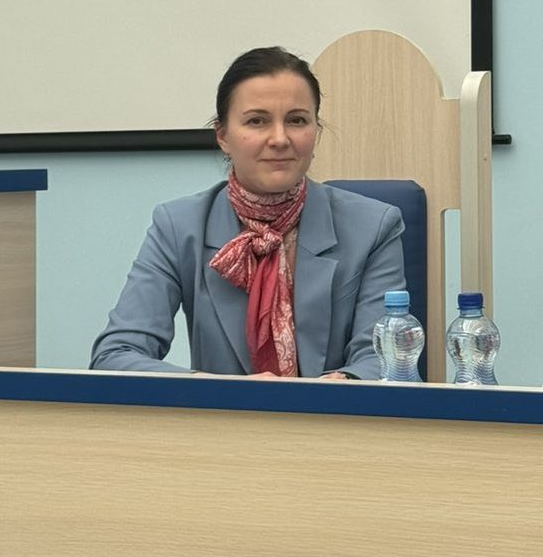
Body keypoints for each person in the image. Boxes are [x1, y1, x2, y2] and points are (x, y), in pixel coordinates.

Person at [90, 47, 406, 379]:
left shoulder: (374, 227)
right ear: (223, 136)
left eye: (297, 120)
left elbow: (385, 360)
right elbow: (116, 356)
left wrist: (342, 384)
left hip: (334, 411)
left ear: (316, 132)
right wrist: (221, 390)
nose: (280, 139)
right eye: (257, 121)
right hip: (221, 413)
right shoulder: (178, 226)